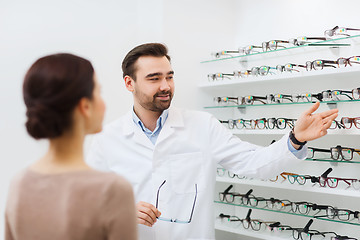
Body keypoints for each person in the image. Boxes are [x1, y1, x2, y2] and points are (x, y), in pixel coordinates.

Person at [86, 43, 338, 240]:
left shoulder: (202, 125)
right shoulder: (106, 139)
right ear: (129, 83)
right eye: (154, 78)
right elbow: (87, 205)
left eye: (169, 77)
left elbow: (254, 164)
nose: (166, 86)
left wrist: (295, 138)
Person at [5, 53, 137, 240]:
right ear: (85, 106)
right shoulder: (113, 190)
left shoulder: (19, 184)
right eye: (98, 92)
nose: (103, 102)